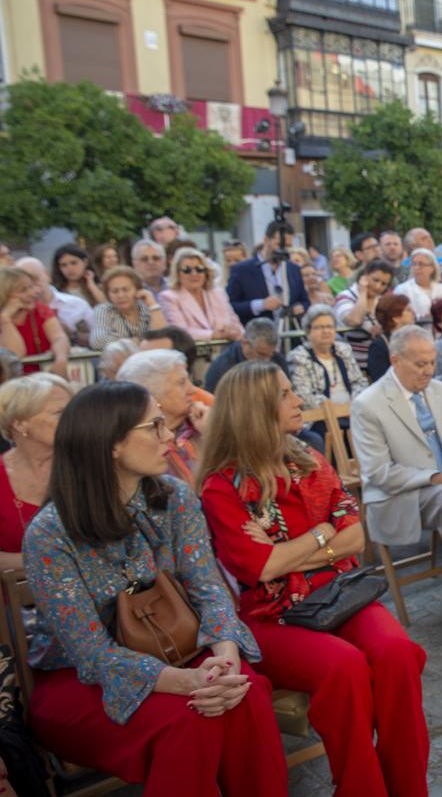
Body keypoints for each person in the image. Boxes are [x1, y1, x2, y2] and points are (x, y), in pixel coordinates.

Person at [22, 381, 287, 796]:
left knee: (244, 695)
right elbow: (90, 654)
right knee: (192, 716)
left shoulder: (175, 497)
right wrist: (187, 682)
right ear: (110, 443)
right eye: (155, 427)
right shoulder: (51, 534)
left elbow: (208, 587)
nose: (170, 437)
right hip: (78, 678)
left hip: (178, 649)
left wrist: (225, 656)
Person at [196, 362, 428, 796]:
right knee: (344, 668)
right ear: (255, 409)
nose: (297, 399)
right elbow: (260, 569)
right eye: (285, 394)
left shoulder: (309, 460)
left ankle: (409, 786)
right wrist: (324, 535)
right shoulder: (223, 486)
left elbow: (356, 536)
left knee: (398, 653)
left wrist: (295, 548)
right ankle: (363, 788)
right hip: (271, 618)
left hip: (338, 596)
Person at [350, 326, 442, 592]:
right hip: (401, 493)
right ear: (395, 360)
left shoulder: (441, 391)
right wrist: (438, 478)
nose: (429, 370)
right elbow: (378, 473)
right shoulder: (368, 404)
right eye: (420, 364)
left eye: (431, 362)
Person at [0, 374, 74, 571]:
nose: (72, 419)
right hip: (19, 598)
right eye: (59, 412)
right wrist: (52, 562)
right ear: (20, 424)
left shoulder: (87, 465)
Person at [118, 349, 209, 483]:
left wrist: (213, 433)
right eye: (181, 382)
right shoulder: (137, 444)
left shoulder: (204, 422)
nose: (193, 390)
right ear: (152, 393)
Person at [226, 221, 308, 326]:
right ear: (266, 240)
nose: (284, 250)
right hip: (258, 334)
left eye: (288, 246)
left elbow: (305, 300)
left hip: (290, 332)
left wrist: (301, 307)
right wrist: (260, 305)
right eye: (279, 245)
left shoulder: (293, 269)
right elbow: (230, 306)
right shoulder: (241, 270)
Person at [288, 305, 370, 410]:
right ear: (308, 332)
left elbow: (359, 382)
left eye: (329, 326)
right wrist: (335, 411)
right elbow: (304, 396)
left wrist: (353, 405)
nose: (326, 331)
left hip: (352, 411)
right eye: (320, 327)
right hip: (320, 418)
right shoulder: (298, 356)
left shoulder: (344, 350)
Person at [158, 247, 244, 342]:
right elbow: (180, 332)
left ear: (206, 272)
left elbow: (236, 325)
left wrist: (234, 332)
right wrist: (213, 335)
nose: (194, 274)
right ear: (177, 274)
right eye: (187, 270)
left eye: (199, 269)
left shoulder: (218, 293)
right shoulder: (168, 297)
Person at [0, 266, 71, 377]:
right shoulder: (3, 319)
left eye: (31, 286)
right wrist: (5, 319)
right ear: (5, 294)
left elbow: (59, 337)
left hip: (44, 377)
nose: (34, 292)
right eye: (24, 290)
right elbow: (15, 355)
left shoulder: (41, 310)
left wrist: (61, 359)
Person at [16, 256, 93, 350]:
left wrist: (72, 335)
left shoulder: (77, 304)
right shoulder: (15, 312)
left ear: (47, 275)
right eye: (24, 284)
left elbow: (97, 339)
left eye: (35, 278)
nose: (32, 287)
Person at [334, 259, 396, 372]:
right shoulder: (345, 296)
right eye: (375, 280)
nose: (378, 286)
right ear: (364, 276)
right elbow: (355, 320)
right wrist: (362, 293)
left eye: (383, 284)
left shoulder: (381, 300)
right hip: (352, 365)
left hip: (379, 363)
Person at [91, 266, 167, 350]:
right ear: (108, 294)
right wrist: (131, 342)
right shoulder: (104, 310)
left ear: (137, 290)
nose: (120, 295)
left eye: (126, 290)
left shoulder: (147, 309)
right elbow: (97, 341)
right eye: (115, 291)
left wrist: (153, 305)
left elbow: (163, 338)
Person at [204, 317, 289, 393]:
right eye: (261, 354)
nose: (267, 360)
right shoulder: (223, 366)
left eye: (271, 354)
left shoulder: (278, 360)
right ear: (244, 342)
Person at [365, 293, 414, 383]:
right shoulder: (379, 346)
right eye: (408, 310)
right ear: (396, 318)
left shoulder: (416, 339)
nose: (413, 312)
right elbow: (380, 379)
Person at [395, 248, 442, 323]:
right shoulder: (402, 289)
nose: (417, 268)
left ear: (432, 268)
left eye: (421, 264)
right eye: (414, 264)